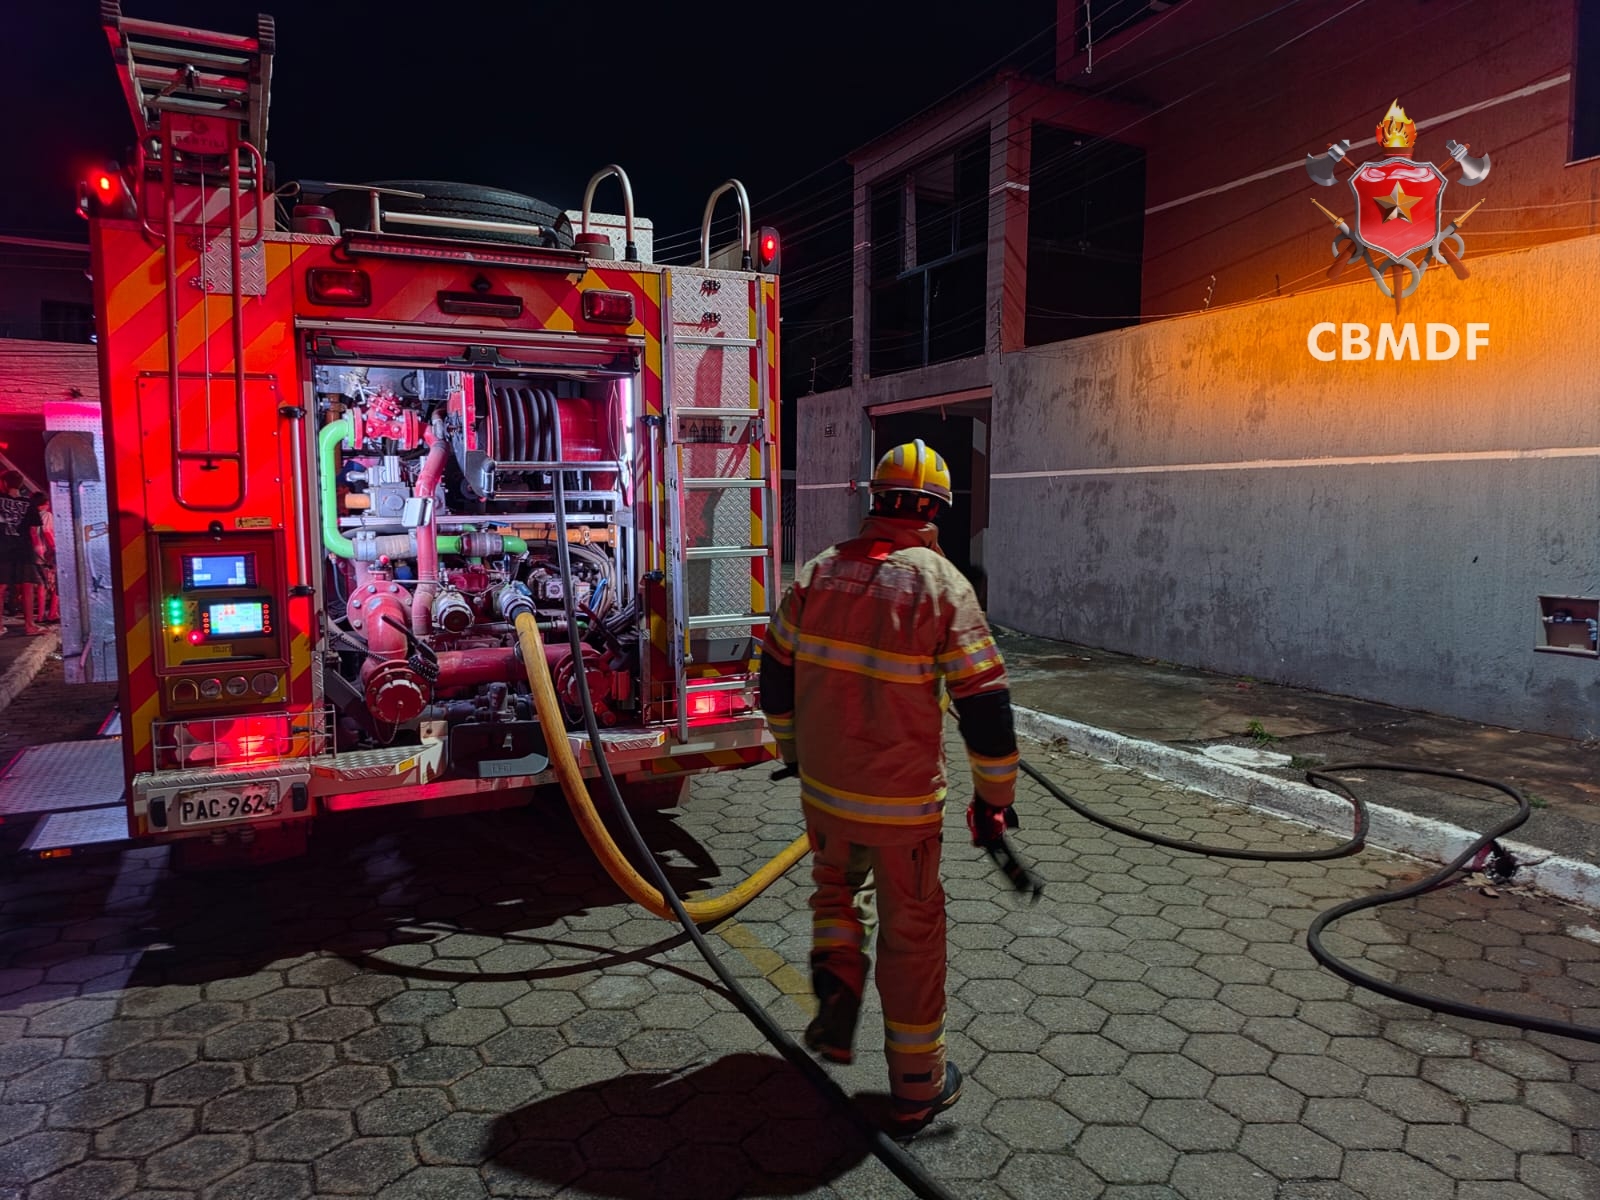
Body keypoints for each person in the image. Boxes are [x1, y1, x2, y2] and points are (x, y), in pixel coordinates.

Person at [759, 439, 1019, 1137]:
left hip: (827, 791)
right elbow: (987, 706)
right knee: (914, 935)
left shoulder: (818, 572)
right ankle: (915, 1087)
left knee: (838, 895)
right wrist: (993, 802)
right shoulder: (941, 585)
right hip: (903, 807)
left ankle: (837, 1001)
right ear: (934, 514)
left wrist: (793, 747)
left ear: (873, 502)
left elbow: (774, 674)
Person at [0, 470, 45, 637]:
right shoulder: (29, 503)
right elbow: (34, 532)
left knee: (1, 587)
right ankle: (30, 626)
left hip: (3, 548)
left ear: (4, 483)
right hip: (24, 550)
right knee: (27, 587)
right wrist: (38, 553)